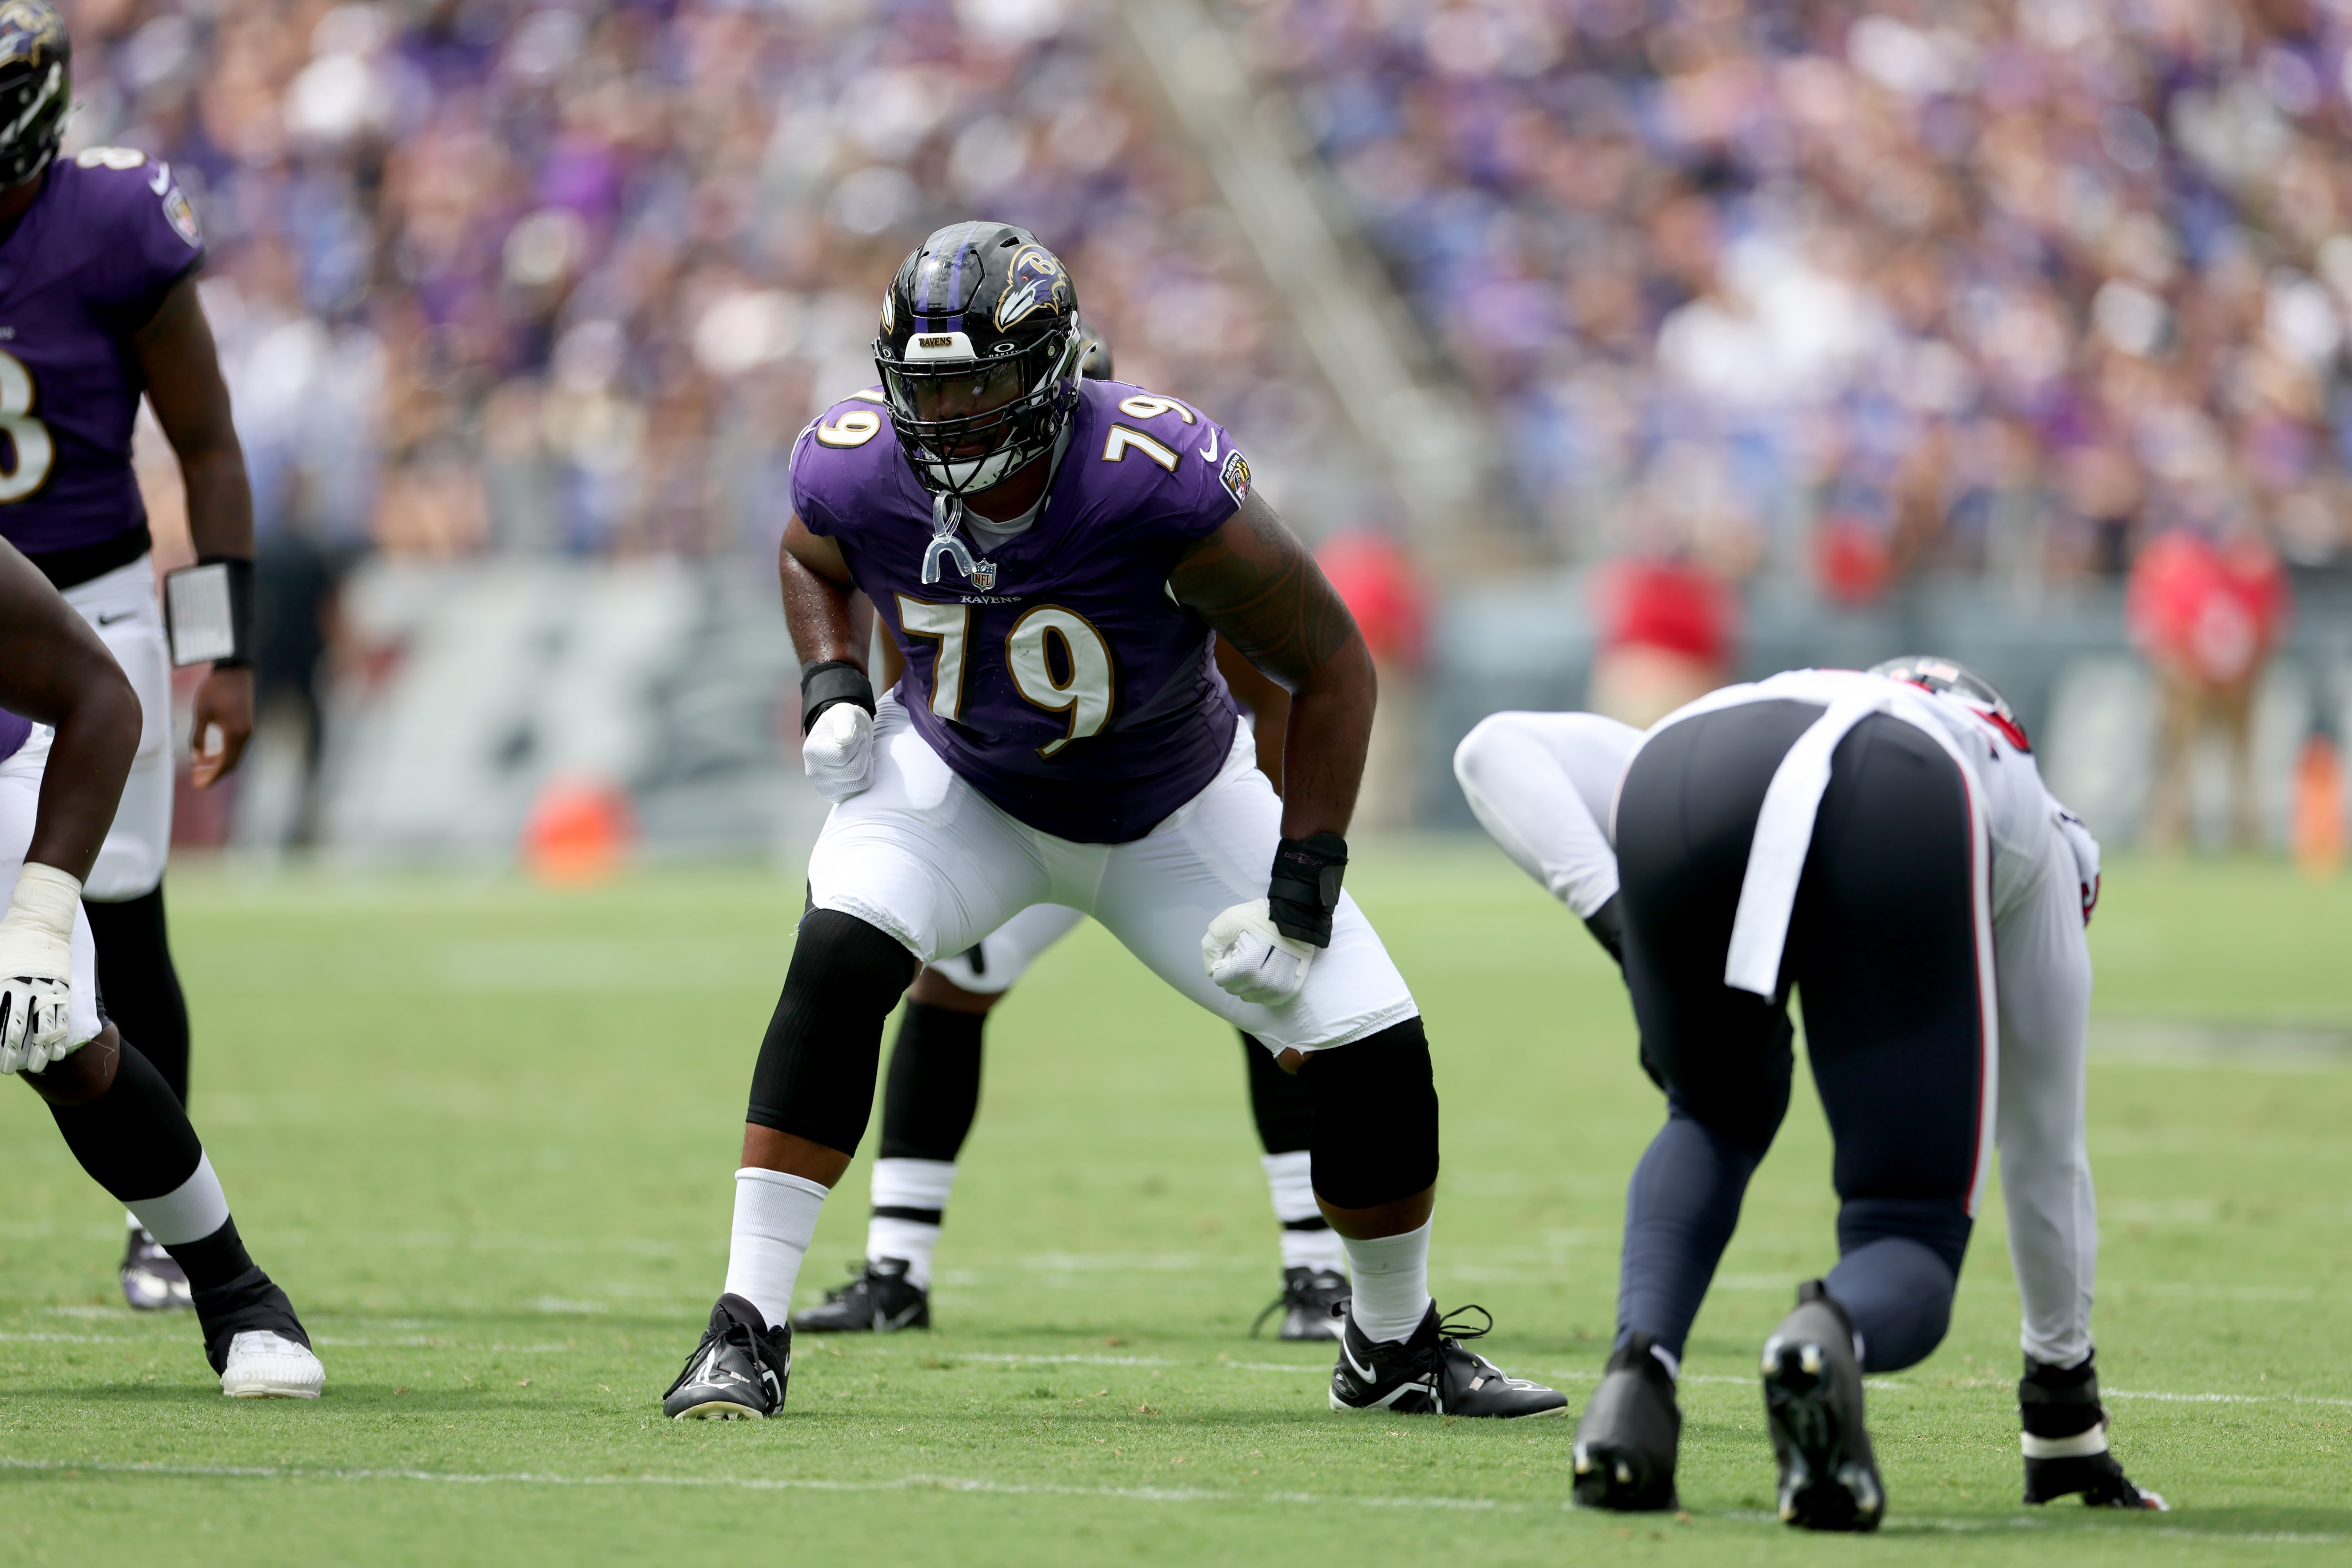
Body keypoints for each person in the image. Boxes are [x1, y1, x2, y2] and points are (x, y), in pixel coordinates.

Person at [660, 222, 1564, 1422]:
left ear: (1044, 370)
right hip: (961, 785)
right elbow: (809, 557)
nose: (949, 416)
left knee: (1379, 1053)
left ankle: (1391, 1345)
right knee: (838, 952)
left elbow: (1333, 661)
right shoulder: (855, 461)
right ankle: (744, 1327)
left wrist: (1305, 880)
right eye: (926, 387)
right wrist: (833, 684)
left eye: (978, 382)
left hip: (1169, 802)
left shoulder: (1150, 470)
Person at [1454, 658, 2163, 1528]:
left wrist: (1629, 934)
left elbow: (1493, 750)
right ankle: (1822, 1339)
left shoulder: (1769, 700)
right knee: (1906, 1223)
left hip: (1692, 762)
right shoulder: (2032, 823)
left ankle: (1635, 1389)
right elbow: (2045, 1149)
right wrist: (2063, 1412)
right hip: (1902, 794)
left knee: (1714, 1110)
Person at [795, 328, 1345, 1344]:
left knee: (1264, 987)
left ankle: (1318, 1271)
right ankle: (895, 1265)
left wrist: (1269, 852)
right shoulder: (942, 518)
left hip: (1154, 809)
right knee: (945, 985)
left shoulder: (1154, 523)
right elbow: (902, 664)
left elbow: (1274, 693)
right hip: (997, 808)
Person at [0, 2, 259, 1311]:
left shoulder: (108, 222)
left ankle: (165, 1225)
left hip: (90, 604)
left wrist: (224, 651)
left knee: (121, 907)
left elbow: (205, 442)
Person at [0, 532, 320, 1397]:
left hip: (59, 676)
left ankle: (239, 1295)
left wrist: (38, 912)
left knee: (57, 1035)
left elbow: (103, 697)